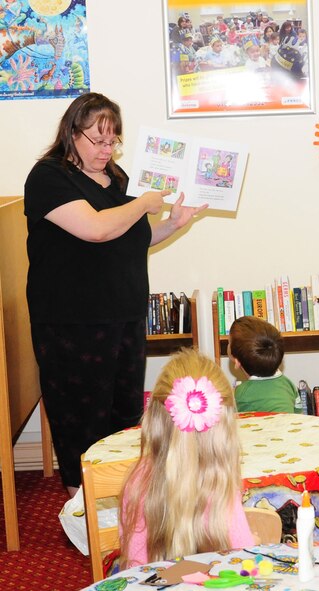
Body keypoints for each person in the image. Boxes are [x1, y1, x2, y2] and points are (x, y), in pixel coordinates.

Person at [24, 92, 208, 498]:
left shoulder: (118, 177)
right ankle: (84, 509)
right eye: (98, 140)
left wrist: (173, 224)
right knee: (80, 416)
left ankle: (122, 503)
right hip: (72, 322)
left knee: (124, 414)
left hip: (123, 313)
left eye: (113, 141)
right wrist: (143, 202)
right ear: (72, 134)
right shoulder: (48, 177)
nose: (107, 150)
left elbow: (130, 238)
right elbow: (97, 229)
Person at [119, 347, 254, 567]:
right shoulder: (221, 485)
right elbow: (243, 565)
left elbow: (135, 572)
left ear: (153, 418)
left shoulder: (137, 483)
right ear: (226, 433)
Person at [228, 316, 302, 414]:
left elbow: (230, 422)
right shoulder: (288, 384)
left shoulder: (240, 394)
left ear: (237, 361)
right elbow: (298, 413)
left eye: (229, 342)